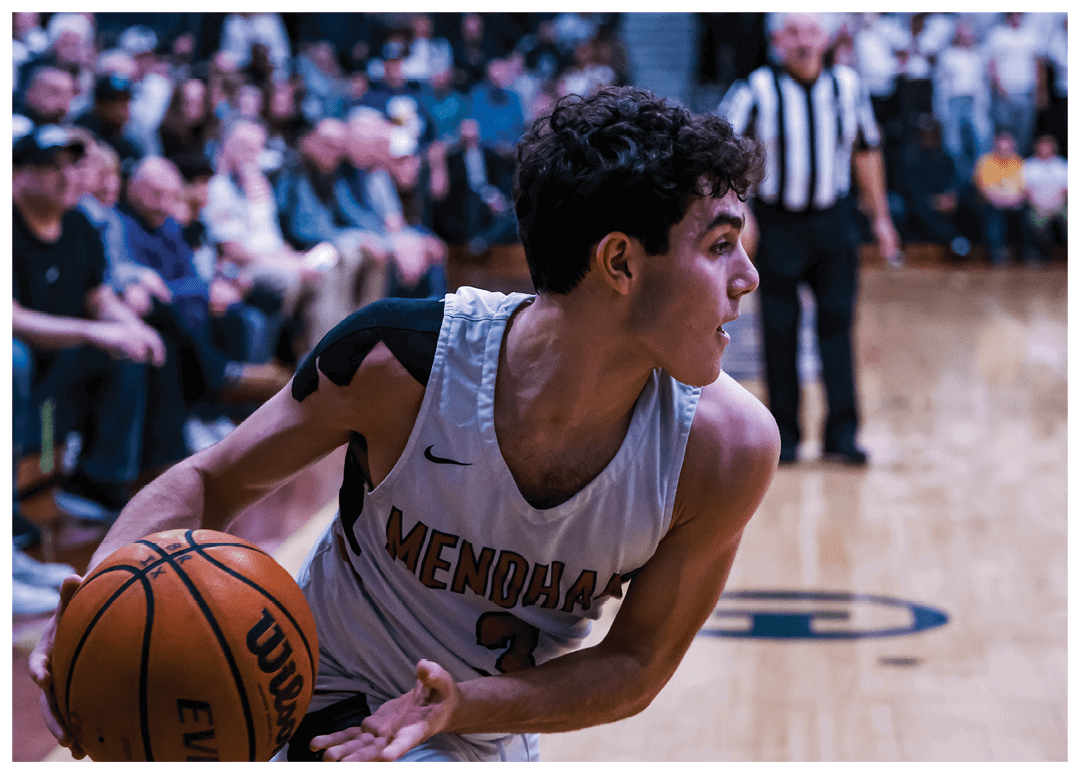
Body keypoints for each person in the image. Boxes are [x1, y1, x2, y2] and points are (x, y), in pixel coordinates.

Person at [32, 86, 779, 763]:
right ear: (619, 261)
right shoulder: (400, 361)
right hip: (291, 697)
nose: (746, 275)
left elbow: (636, 665)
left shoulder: (726, 449)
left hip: (474, 734)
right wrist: (98, 594)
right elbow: (211, 480)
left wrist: (457, 704)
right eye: (719, 246)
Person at [717, 12, 901, 465]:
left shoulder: (849, 87)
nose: (803, 42)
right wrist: (740, 210)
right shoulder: (755, 89)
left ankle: (842, 435)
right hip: (779, 223)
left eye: (811, 32)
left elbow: (866, 149)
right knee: (779, 331)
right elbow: (721, 151)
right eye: (793, 33)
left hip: (833, 222)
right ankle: (786, 439)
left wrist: (880, 217)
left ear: (827, 39)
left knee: (838, 326)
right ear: (778, 41)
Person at [12, 125, 168, 523]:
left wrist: (130, 325)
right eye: (50, 166)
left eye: (72, 165)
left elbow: (97, 298)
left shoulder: (80, 224)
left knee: (130, 346)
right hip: (25, 366)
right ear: (16, 175)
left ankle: (98, 481)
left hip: (58, 370)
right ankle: (14, 507)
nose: (67, 176)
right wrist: (94, 331)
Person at [973, 129, 1026, 265]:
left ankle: (1026, 252)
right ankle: (996, 252)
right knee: (994, 214)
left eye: (1007, 144)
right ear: (995, 145)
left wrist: (1013, 199)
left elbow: (1023, 189)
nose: (1004, 148)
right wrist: (1000, 199)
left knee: (1027, 213)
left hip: (1014, 202)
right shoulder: (985, 161)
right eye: (1001, 144)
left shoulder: (1018, 162)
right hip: (992, 202)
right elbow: (984, 188)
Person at [1020, 134, 1067, 265]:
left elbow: (1067, 190)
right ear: (1037, 147)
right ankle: (1047, 253)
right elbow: (1025, 189)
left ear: (1054, 148)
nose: (1045, 149)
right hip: (1037, 207)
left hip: (1060, 206)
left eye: (1048, 146)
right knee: (1036, 224)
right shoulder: (1028, 165)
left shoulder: (1062, 165)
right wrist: (1039, 204)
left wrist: (1056, 203)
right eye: (1042, 146)